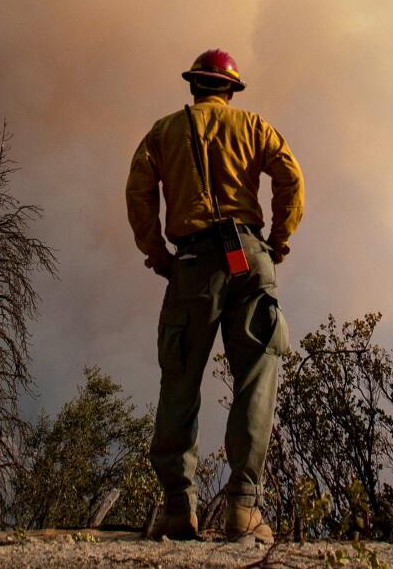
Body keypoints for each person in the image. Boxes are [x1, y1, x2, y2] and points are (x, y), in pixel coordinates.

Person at [125, 48, 305, 541]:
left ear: (194, 86)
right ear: (230, 90)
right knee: (256, 378)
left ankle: (179, 508)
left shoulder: (163, 132)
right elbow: (291, 176)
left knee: (179, 381)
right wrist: (279, 239)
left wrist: (157, 252)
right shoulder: (254, 126)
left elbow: (138, 191)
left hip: (191, 262)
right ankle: (244, 509)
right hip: (248, 258)